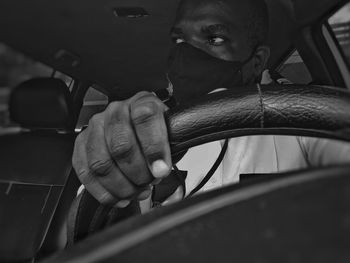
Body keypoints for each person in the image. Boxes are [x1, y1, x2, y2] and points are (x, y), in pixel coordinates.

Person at [72, 0, 350, 210]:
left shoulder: (299, 116)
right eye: (179, 39)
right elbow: (92, 227)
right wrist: (112, 147)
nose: (186, 53)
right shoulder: (153, 123)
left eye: (215, 39)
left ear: (257, 61)